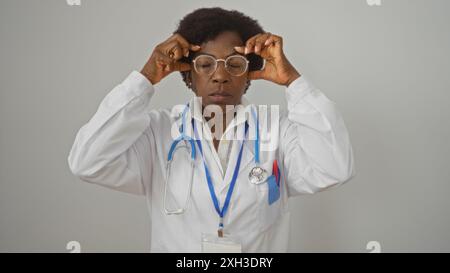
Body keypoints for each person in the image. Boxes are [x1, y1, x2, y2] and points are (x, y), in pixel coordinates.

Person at [68, 7, 355, 252]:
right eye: (205, 64)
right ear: (188, 75)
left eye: (234, 64)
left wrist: (292, 80)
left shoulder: (275, 130)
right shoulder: (159, 132)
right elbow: (87, 162)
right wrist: (145, 79)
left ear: (249, 74)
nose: (220, 75)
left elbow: (335, 167)